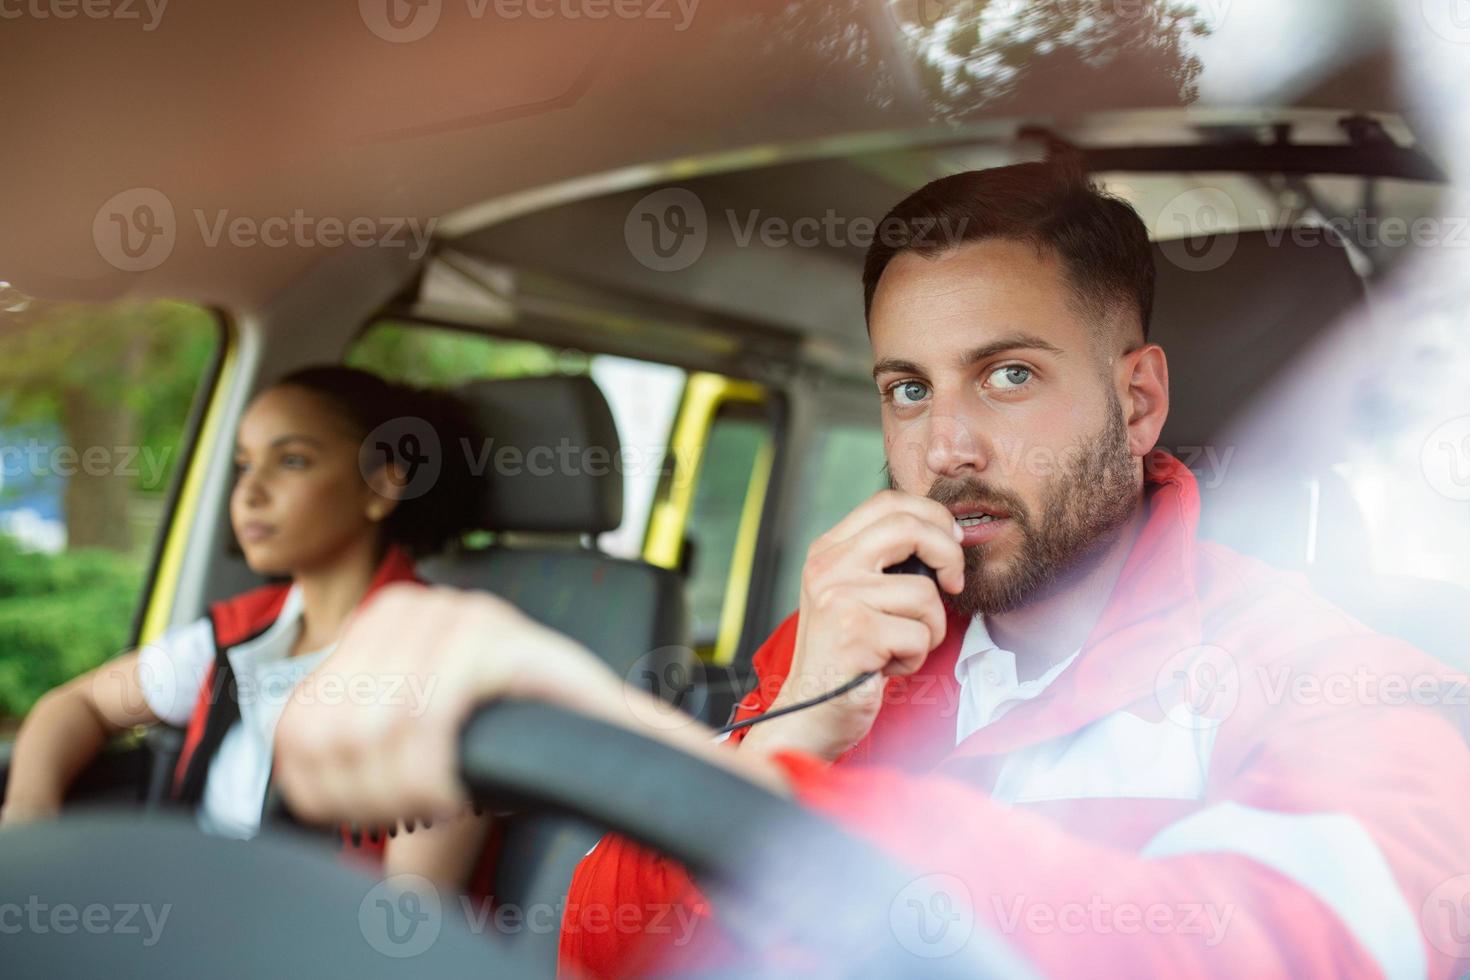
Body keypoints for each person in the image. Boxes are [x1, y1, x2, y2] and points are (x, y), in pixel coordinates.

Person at [273, 163, 1470, 977]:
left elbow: (1293, 944)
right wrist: (785, 734)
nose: (944, 446)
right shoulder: (851, 635)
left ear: (1138, 397)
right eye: (909, 387)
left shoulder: (1342, 682)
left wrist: (668, 758)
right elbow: (610, 953)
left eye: (1008, 374)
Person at [1, 365, 491, 889]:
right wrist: (29, 814)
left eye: (292, 461)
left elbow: (410, 923)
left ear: (381, 485)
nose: (250, 491)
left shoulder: (433, 659)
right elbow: (78, 704)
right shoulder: (235, 633)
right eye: (243, 464)